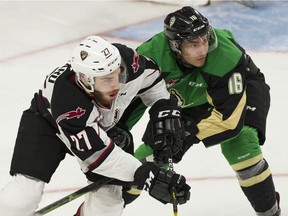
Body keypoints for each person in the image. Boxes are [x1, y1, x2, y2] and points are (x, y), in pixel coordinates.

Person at [0, 35, 191, 216]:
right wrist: (148, 176)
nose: (116, 85)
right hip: (47, 125)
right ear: (86, 79)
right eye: (107, 80)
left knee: (108, 206)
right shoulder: (68, 100)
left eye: (118, 75)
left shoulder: (128, 63)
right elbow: (99, 156)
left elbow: (153, 80)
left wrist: (163, 109)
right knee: (21, 198)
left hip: (100, 129)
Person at [124, 6, 280, 216]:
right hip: (192, 99)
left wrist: (186, 137)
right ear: (176, 45)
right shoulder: (150, 57)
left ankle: (270, 212)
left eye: (205, 40)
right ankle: (107, 206)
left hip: (241, 91)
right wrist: (118, 136)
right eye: (194, 44)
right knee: (144, 160)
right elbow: (132, 101)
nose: (203, 49)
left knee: (241, 143)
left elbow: (229, 120)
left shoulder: (225, 57)